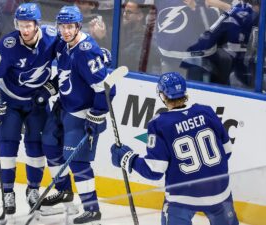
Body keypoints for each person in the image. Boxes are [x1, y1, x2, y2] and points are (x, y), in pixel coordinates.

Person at [110, 72, 239, 225]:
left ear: (163, 95)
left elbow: (154, 171)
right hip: (220, 193)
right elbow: (227, 151)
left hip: (182, 198)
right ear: (185, 92)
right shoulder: (207, 111)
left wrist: (128, 159)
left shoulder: (160, 124)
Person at [0, 2, 59, 218]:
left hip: (37, 102)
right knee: (7, 146)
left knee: (36, 147)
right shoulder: (8, 44)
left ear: (37, 25)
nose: (24, 30)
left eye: (28, 26)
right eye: (20, 25)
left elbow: (71, 61)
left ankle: (33, 190)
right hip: (10, 101)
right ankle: (7, 192)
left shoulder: (52, 38)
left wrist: (50, 88)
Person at [36, 5, 114, 224]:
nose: (66, 31)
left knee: (78, 163)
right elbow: (64, 78)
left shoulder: (86, 50)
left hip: (82, 114)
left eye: (70, 27)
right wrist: (47, 90)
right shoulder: (63, 45)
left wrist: (97, 113)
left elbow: (107, 88)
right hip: (63, 107)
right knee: (49, 145)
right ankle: (64, 191)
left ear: (79, 26)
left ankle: (92, 209)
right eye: (63, 26)